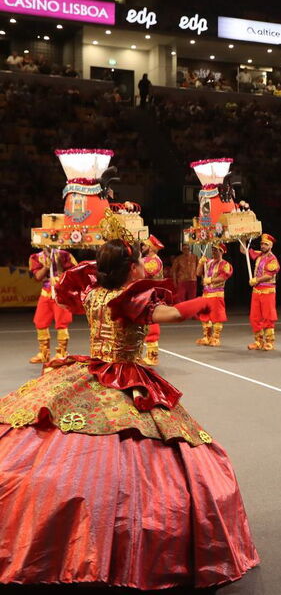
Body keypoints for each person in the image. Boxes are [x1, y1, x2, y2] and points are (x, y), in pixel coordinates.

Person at [0, 240, 259, 588]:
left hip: (91, 370)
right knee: (140, 450)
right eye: (138, 262)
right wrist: (205, 302)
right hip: (126, 378)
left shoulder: (93, 293)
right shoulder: (130, 297)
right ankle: (117, 545)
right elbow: (170, 314)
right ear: (132, 268)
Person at [27, 247, 78, 363]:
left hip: (61, 294)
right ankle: (43, 353)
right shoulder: (36, 257)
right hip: (46, 293)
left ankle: (62, 353)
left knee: (62, 323)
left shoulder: (65, 255)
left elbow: (74, 273)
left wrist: (60, 270)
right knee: (40, 322)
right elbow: (38, 277)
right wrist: (46, 267)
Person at [240, 233, 280, 350]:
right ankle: (258, 341)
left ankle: (269, 342)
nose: (263, 246)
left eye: (265, 244)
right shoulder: (259, 255)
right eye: (262, 244)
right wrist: (243, 238)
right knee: (255, 316)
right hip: (257, 290)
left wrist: (256, 280)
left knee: (268, 316)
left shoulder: (273, 259)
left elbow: (269, 275)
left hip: (268, 290)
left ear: (270, 246)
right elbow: (243, 250)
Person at [196, 243, 232, 346]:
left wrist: (210, 280)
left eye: (216, 250)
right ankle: (206, 337)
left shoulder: (225, 264)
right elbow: (198, 273)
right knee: (205, 316)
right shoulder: (208, 262)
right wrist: (200, 263)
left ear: (221, 252)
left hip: (216, 293)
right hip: (206, 293)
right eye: (212, 250)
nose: (213, 252)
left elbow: (223, 277)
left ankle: (216, 338)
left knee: (217, 316)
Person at [140, 235, 165, 365]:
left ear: (150, 247)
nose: (142, 247)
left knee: (151, 325)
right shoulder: (145, 259)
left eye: (144, 245)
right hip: (143, 296)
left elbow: (144, 272)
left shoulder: (154, 261)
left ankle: (152, 356)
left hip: (151, 297)